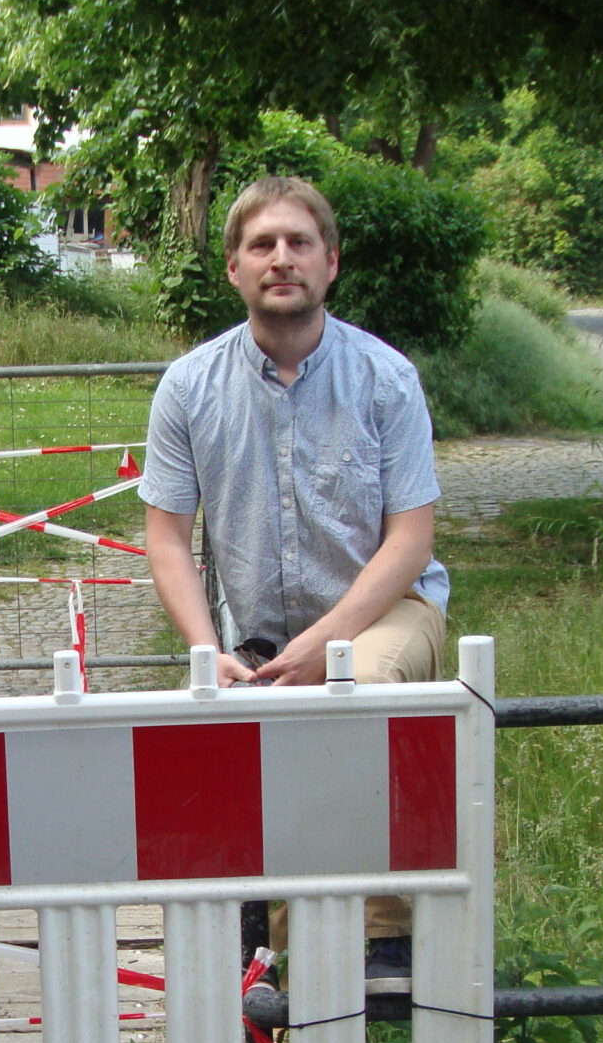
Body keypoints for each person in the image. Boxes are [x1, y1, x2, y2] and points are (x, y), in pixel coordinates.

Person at [139, 175, 451, 984]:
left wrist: (327, 642)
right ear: (234, 269)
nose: (282, 259)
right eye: (261, 244)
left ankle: (380, 942)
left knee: (359, 686)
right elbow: (167, 539)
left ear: (332, 262)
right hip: (259, 635)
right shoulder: (188, 387)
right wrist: (206, 650)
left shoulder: (386, 379)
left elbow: (410, 541)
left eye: (299, 242)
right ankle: (287, 954)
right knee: (255, 746)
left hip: (390, 609)